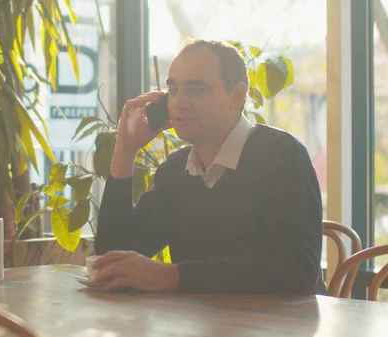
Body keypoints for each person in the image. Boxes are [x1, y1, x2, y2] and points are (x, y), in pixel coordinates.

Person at [91, 38, 326, 295]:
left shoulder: (282, 155)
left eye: (196, 90)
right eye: (173, 90)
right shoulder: (176, 171)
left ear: (236, 96)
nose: (180, 102)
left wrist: (175, 276)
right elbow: (112, 258)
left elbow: (296, 272)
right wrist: (126, 150)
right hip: (206, 324)